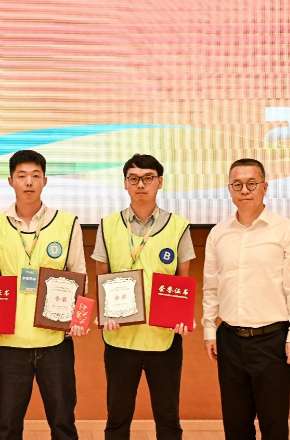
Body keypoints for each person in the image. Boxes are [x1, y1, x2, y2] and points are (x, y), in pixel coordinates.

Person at [0, 149, 88, 440]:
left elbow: (78, 274)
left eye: (35, 176)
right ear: (10, 181)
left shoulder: (67, 223)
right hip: (9, 341)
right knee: (8, 427)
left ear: (45, 181)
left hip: (55, 340)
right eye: (22, 176)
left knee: (63, 425)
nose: (28, 182)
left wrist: (79, 319)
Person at [202, 158, 290, 440]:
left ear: (265, 187)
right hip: (229, 339)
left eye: (252, 183)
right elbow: (211, 287)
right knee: (236, 424)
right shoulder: (218, 234)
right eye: (237, 184)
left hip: (273, 341)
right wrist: (209, 329)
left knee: (274, 424)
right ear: (229, 189)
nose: (245, 190)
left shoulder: (287, 231)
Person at [91, 153, 195, 440]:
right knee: (117, 418)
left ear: (159, 182)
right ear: (125, 183)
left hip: (163, 338)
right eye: (134, 178)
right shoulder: (108, 225)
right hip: (120, 338)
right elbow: (102, 276)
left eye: (148, 178)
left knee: (168, 418)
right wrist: (105, 314)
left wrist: (182, 316)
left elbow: (182, 279)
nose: (140, 184)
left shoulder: (178, 226)